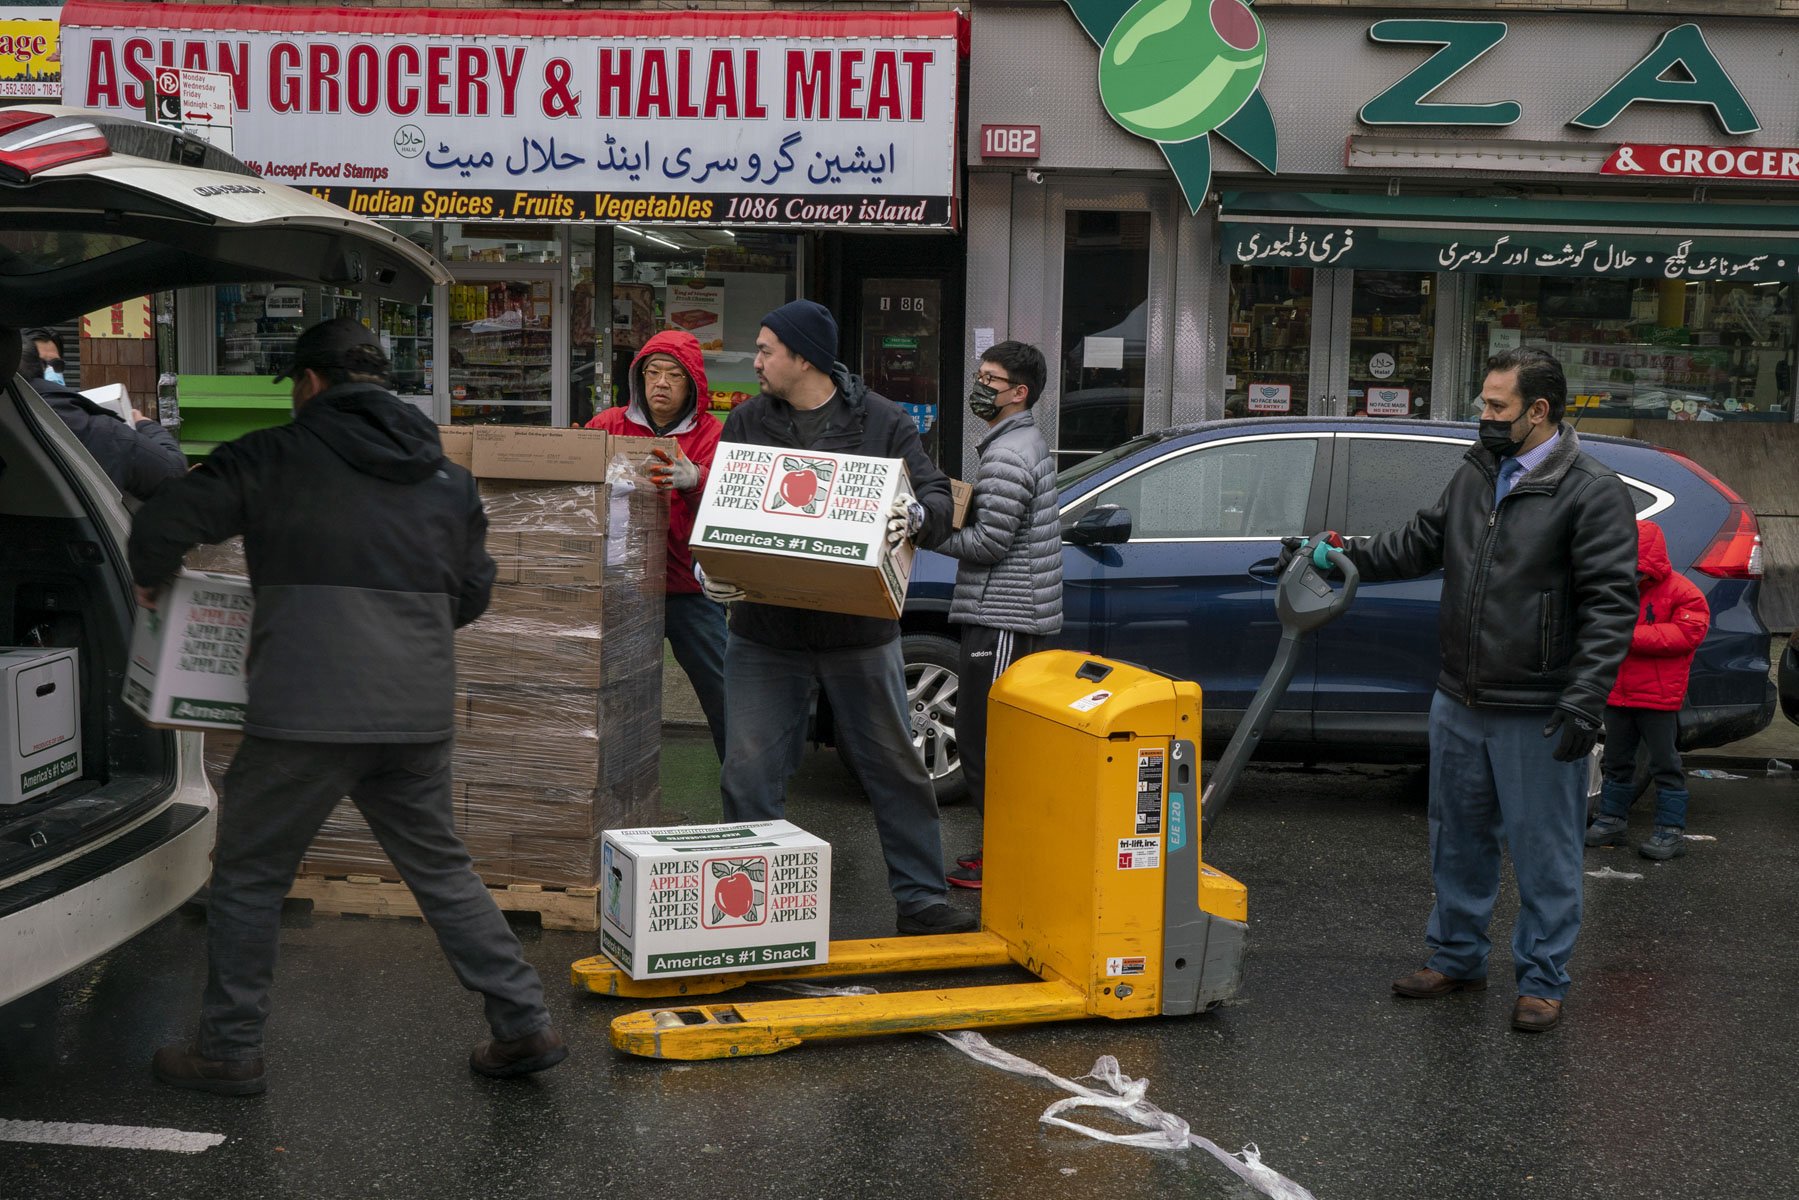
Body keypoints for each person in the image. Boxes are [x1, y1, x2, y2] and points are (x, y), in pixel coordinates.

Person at [127, 317, 564, 1095]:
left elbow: (165, 519)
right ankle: (523, 1025)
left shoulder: (271, 455)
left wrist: (152, 577)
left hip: (304, 709)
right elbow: (472, 594)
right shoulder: (447, 477)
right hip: (415, 711)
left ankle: (228, 1052)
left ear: (311, 382)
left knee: (252, 876)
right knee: (441, 870)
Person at [1302, 346, 1637, 1033]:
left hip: (1537, 707)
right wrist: (1336, 559)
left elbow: (1611, 604)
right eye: (1482, 403)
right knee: (1455, 839)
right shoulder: (1476, 472)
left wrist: (1584, 698)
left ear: (1536, 412)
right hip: (1458, 696)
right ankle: (1455, 957)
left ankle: (1542, 981)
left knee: (1544, 854)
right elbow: (1418, 543)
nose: (1481, 416)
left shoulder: (1590, 491)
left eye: (1494, 406)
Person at [708, 299, 975, 936]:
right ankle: (752, 914)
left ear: (804, 357)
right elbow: (724, 501)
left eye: (768, 349)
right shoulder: (747, 419)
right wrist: (711, 563)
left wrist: (919, 516)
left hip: (858, 633)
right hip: (765, 631)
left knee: (895, 765)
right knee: (748, 771)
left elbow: (937, 494)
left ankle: (921, 899)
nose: (757, 361)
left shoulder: (881, 420)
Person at [930, 341, 1062, 888]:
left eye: (991, 378)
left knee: (987, 742)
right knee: (992, 740)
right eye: (980, 374)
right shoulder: (1016, 441)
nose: (980, 386)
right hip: (1007, 610)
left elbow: (989, 544)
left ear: (1019, 392)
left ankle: (1006, 855)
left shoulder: (1010, 453)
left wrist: (925, 529)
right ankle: (1005, 846)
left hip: (1004, 616)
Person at [586, 330, 727, 761]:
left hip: (689, 589)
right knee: (612, 691)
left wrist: (697, 480)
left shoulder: (713, 435)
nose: (661, 383)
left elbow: (727, 507)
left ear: (693, 385)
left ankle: (746, 789)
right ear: (639, 377)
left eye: (673, 375)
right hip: (624, 589)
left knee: (727, 693)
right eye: (653, 372)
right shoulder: (609, 425)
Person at [1584, 519, 1710, 861]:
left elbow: (1686, 635)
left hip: (1657, 697)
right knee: (1616, 761)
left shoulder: (1683, 592)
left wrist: (1627, 636)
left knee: (1664, 763)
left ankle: (1671, 831)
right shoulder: (1613, 589)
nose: (1632, 576)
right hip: (1618, 693)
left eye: (1637, 569)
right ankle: (1611, 820)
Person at [20, 338, 186, 501]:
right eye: (46, 363)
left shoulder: (13, 419)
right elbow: (173, 471)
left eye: (57, 364)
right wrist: (146, 424)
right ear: (38, 365)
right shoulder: (100, 431)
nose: (52, 371)